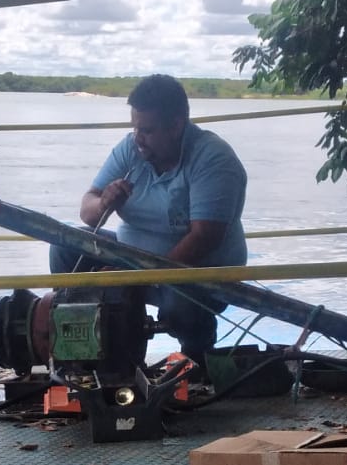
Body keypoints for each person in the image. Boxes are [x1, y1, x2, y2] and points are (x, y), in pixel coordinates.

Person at [50, 74, 248, 365]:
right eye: (135, 128)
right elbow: (88, 211)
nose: (138, 138)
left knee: (180, 301)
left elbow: (205, 237)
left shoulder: (213, 158)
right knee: (64, 247)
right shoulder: (130, 148)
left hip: (197, 270)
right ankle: (81, 344)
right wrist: (105, 202)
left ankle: (197, 355)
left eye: (147, 130)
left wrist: (135, 281)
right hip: (131, 260)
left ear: (176, 125)